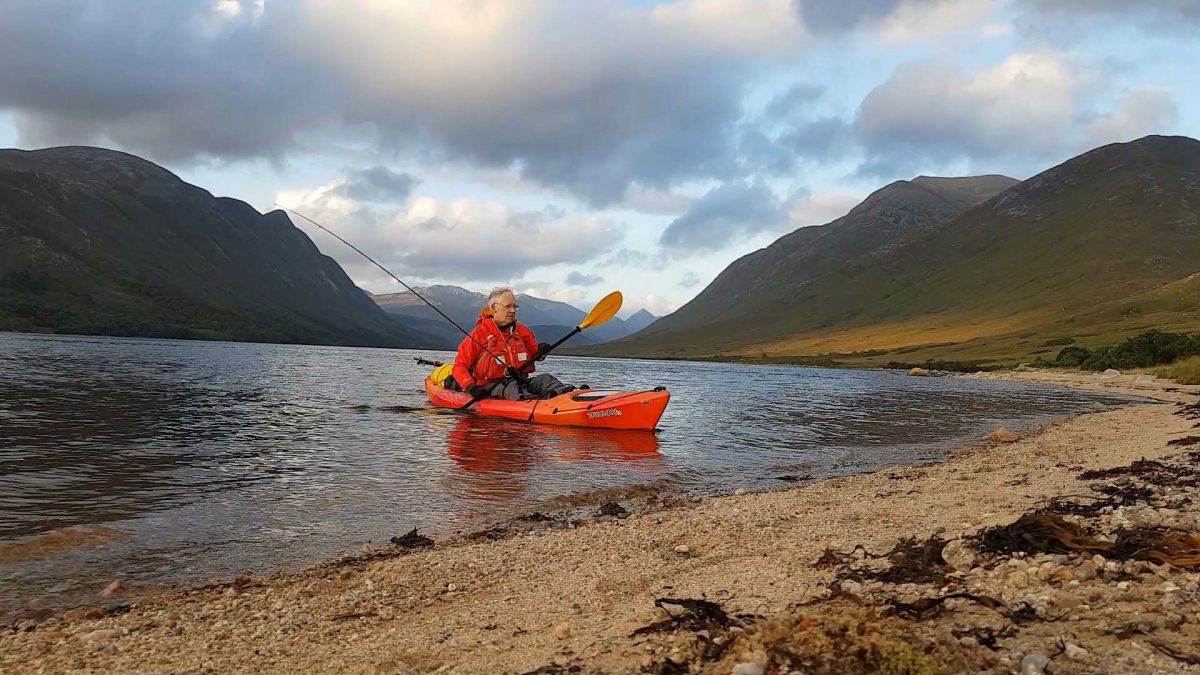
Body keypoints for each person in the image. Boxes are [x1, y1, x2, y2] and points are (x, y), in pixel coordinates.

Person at [447, 287, 575, 400]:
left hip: (521, 381)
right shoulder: (477, 336)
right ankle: (539, 405)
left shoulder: (523, 332)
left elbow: (536, 354)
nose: (513, 310)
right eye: (508, 306)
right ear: (493, 308)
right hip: (490, 387)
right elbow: (459, 366)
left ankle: (569, 397)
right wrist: (470, 387)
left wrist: (541, 351)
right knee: (513, 389)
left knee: (545, 379)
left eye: (514, 306)